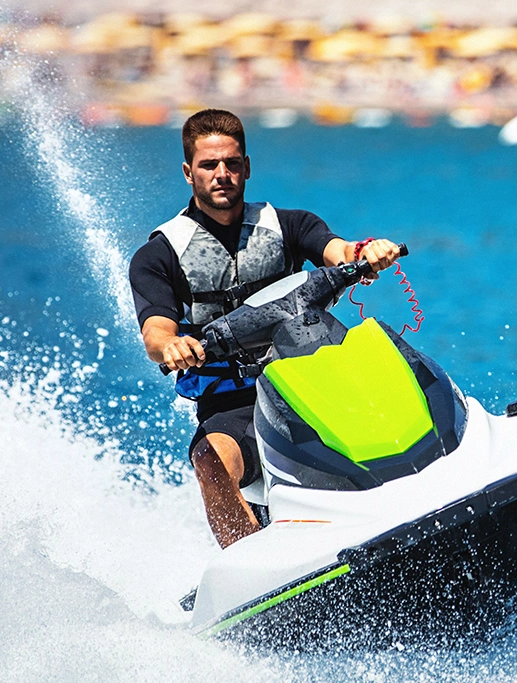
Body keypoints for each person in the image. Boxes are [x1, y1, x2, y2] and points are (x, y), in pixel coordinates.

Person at [129, 108, 400, 549]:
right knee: (211, 461)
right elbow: (155, 331)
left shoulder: (289, 225)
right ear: (188, 172)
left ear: (247, 167)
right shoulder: (159, 255)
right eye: (209, 165)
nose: (222, 174)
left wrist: (366, 253)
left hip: (310, 375)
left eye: (232, 163)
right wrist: (172, 346)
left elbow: (338, 250)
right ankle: (253, 563)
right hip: (233, 402)